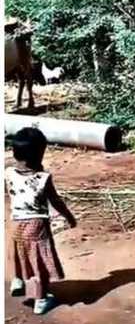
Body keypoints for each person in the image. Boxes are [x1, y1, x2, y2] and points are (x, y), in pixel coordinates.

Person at [6, 127, 77, 314]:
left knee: (22, 255)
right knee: (39, 263)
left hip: (16, 224)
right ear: (40, 154)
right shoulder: (44, 178)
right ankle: (41, 300)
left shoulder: (8, 174)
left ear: (15, 153)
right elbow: (55, 201)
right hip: (36, 226)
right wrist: (69, 217)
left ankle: (18, 280)